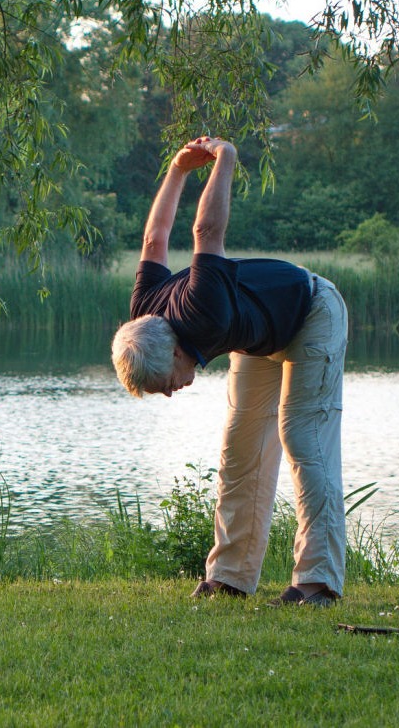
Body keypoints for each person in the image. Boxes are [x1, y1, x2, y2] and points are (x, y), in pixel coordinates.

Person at [112, 136, 348, 606]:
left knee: (302, 437)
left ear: (176, 353)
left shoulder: (203, 312)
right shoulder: (144, 312)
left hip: (312, 312)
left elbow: (207, 233)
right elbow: (154, 239)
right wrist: (177, 170)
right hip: (258, 335)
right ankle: (230, 577)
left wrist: (226, 160)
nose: (172, 394)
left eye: (164, 386)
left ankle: (318, 582)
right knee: (240, 450)